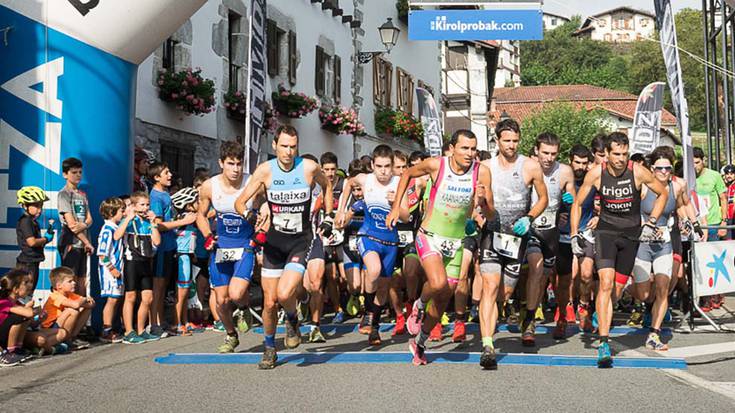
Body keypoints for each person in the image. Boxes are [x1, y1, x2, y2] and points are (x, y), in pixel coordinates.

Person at [387, 130, 495, 366]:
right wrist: (396, 207)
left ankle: (420, 342)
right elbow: (406, 173)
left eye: (473, 149)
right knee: (437, 283)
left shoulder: (481, 172)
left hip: (456, 241)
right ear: (452, 148)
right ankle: (417, 305)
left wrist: (484, 200)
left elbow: (490, 213)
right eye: (465, 148)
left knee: (445, 296)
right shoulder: (437, 165)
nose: (470, 153)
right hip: (430, 235)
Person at [234, 126, 334, 370]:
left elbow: (328, 186)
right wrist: (249, 214)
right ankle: (269, 348)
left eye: (293, 147)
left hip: (300, 241)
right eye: (284, 146)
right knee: (269, 302)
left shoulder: (309, 168)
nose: (289, 152)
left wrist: (329, 217)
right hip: (274, 242)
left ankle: (292, 318)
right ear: (275, 145)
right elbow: (239, 202)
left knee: (284, 293)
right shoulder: (265, 171)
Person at [571, 132, 668, 368]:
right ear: (607, 153)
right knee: (605, 282)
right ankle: (604, 342)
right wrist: (575, 233)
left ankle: (601, 312)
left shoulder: (637, 171)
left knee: (614, 290)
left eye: (624, 154)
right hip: (606, 234)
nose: (621, 159)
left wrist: (652, 221)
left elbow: (662, 193)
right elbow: (577, 203)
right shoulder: (597, 173)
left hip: (631, 236)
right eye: (616, 154)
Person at [476, 120, 547, 369]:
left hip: (517, 238)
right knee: (490, 286)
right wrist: (476, 218)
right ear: (497, 140)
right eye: (507, 140)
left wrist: (529, 218)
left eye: (515, 140)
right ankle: (487, 345)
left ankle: (493, 315)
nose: (511, 145)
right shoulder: (485, 167)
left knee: (503, 294)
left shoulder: (530, 166)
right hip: (492, 234)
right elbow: (477, 200)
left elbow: (543, 199)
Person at [337, 145, 409, 346]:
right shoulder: (365, 179)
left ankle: (374, 326)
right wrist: (341, 210)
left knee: (384, 289)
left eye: (387, 166)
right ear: (372, 165)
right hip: (368, 235)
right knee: (373, 270)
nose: (384, 171)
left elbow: (406, 216)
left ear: (393, 166)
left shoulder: (399, 183)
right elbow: (348, 183)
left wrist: (396, 204)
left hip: (390, 241)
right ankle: (368, 310)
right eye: (379, 166)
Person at [197, 141, 259, 353]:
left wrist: (259, 234)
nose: (235, 169)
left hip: (245, 246)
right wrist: (207, 236)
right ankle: (231, 335)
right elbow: (200, 215)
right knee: (221, 300)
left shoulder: (252, 182)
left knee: (236, 292)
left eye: (239, 164)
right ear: (221, 163)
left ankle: (243, 307)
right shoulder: (209, 186)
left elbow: (267, 208)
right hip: (221, 247)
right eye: (231, 164)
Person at [526, 133, 575, 343]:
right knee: (537, 274)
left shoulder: (564, 171)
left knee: (562, 280)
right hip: (530, 229)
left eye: (553, 153)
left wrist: (569, 202)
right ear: (536, 150)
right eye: (545, 152)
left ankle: (562, 315)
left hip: (554, 231)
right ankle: (529, 321)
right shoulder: (526, 167)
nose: (549, 158)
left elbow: (573, 202)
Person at [148, 161, 196, 337]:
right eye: (166, 173)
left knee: (165, 286)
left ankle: (162, 322)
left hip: (171, 246)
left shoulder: (166, 194)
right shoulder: (155, 197)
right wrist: (183, 222)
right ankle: (154, 323)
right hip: (161, 247)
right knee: (158, 287)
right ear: (156, 177)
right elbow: (158, 225)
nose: (170, 175)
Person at [557, 145, 596, 333]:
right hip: (563, 234)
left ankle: (584, 308)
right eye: (577, 162)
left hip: (585, 232)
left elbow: (604, 202)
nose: (580, 166)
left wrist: (598, 216)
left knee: (586, 274)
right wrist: (559, 214)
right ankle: (563, 316)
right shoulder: (562, 179)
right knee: (567, 279)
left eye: (584, 163)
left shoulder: (593, 180)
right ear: (570, 161)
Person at [121, 191, 161, 344]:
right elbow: (117, 236)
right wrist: (128, 219)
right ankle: (128, 331)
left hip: (145, 262)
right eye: (142, 205)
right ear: (134, 206)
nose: (145, 208)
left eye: (147, 205)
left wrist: (153, 224)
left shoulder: (147, 223)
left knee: (148, 298)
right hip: (132, 262)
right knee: (130, 297)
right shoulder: (130, 221)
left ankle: (141, 329)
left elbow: (157, 242)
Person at [57, 157, 94, 296]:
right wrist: (87, 242)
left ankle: (80, 316)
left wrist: (83, 224)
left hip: (83, 245)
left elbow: (90, 219)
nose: (78, 175)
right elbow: (72, 225)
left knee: (82, 284)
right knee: (69, 283)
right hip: (71, 244)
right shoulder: (63, 194)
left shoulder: (82, 194)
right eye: (74, 172)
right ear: (65, 174)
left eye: (80, 172)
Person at [171, 187, 201, 336]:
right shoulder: (185, 217)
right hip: (181, 255)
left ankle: (184, 320)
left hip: (188, 254)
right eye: (197, 201)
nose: (199, 203)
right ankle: (177, 323)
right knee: (181, 292)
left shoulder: (189, 216)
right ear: (188, 203)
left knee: (186, 290)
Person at [42, 266, 96, 350]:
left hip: (61, 325)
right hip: (50, 328)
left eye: (73, 280)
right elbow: (76, 305)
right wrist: (85, 299)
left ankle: (72, 337)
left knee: (86, 309)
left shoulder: (70, 295)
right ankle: (67, 339)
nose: (74, 283)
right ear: (59, 286)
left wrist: (87, 302)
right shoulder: (55, 296)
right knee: (72, 311)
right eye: (70, 281)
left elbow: (91, 305)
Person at [97, 197, 126, 344]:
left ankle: (113, 327)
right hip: (110, 271)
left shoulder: (115, 227)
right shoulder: (107, 230)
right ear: (111, 212)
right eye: (121, 211)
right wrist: (111, 268)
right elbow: (102, 253)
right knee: (112, 300)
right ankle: (106, 330)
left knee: (116, 299)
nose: (124, 213)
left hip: (118, 269)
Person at [15, 186, 54, 292]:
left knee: (29, 293)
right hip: (27, 264)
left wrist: (44, 240)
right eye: (36, 206)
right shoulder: (26, 221)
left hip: (32, 262)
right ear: (25, 206)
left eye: (41, 206)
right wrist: (46, 239)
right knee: (24, 293)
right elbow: (31, 242)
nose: (40, 209)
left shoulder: (33, 221)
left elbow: (35, 243)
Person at [0, 269, 39, 365]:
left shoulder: (17, 303)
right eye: (26, 283)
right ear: (15, 289)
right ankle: (9, 352)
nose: (29, 286)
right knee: (19, 317)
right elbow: (28, 313)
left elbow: (31, 321)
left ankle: (17, 349)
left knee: (23, 317)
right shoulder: (4, 302)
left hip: (4, 335)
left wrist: (41, 317)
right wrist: (31, 309)